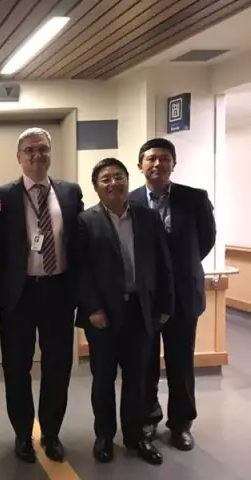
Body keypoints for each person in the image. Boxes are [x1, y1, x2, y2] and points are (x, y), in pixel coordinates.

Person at [0, 127, 83, 463]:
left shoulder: (70, 192)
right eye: (29, 150)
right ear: (19, 157)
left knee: (58, 366)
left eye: (42, 148)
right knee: (17, 368)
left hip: (58, 291)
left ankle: (52, 433)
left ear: (50, 153)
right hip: (19, 294)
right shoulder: (1, 196)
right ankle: (22, 434)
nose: (36, 155)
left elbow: (80, 242)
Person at [76, 158, 174, 465]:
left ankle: (136, 436)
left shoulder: (147, 217)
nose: (113, 183)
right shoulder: (85, 221)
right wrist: (93, 307)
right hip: (103, 315)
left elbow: (163, 263)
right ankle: (104, 436)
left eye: (118, 177)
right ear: (96, 187)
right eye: (105, 179)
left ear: (128, 180)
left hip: (140, 312)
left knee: (138, 379)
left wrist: (165, 305)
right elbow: (80, 270)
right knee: (103, 379)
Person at [129, 138, 216, 450]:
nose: (157, 164)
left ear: (173, 164)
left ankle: (181, 424)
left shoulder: (194, 199)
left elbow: (205, 240)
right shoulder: (129, 200)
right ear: (140, 165)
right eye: (151, 158)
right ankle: (148, 417)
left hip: (183, 295)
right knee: (145, 363)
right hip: (145, 298)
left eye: (165, 158)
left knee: (181, 363)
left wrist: (178, 269)